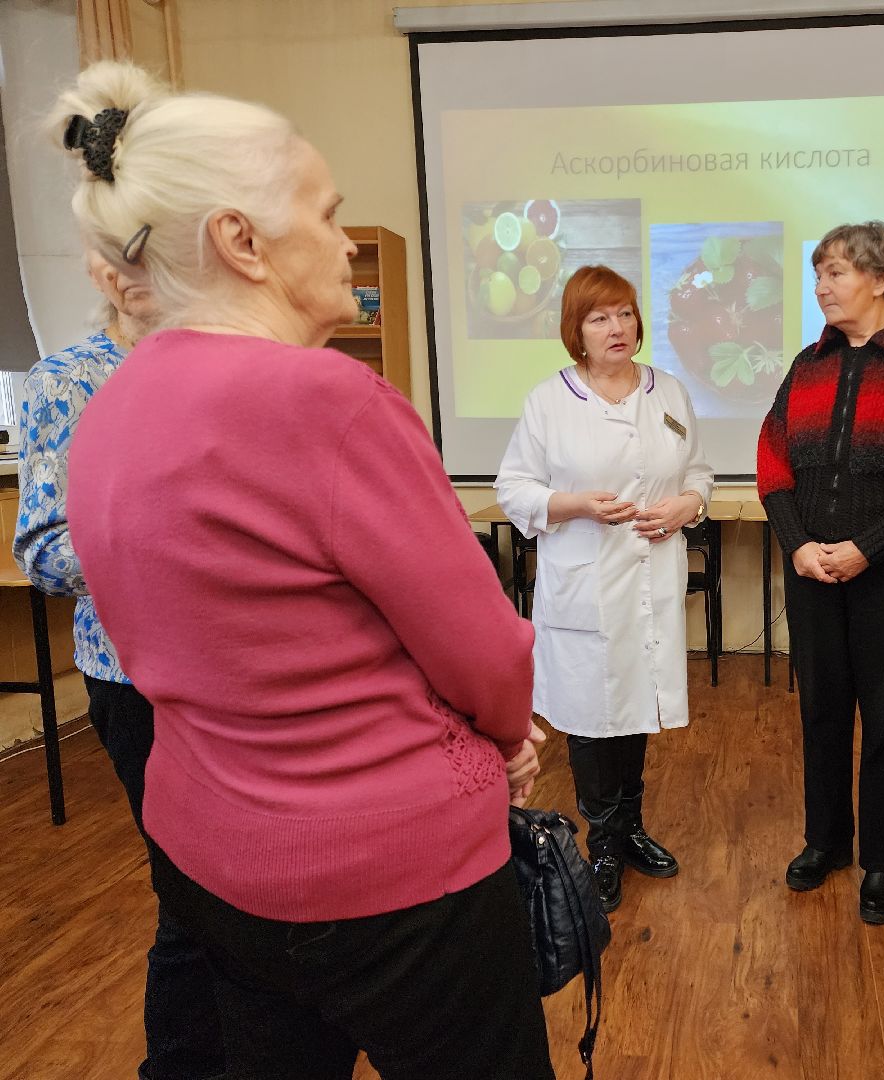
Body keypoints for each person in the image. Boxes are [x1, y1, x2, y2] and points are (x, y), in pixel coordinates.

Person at [55, 61, 554, 1079]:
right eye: (326, 214)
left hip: (213, 864)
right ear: (240, 240)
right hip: (398, 886)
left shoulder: (108, 414)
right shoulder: (330, 401)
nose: (345, 240)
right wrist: (507, 741)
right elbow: (486, 652)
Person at [13, 251, 226, 1080]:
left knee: (254, 892)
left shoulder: (224, 371)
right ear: (114, 277)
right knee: (192, 897)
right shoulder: (67, 381)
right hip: (142, 683)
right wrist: (182, 540)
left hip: (242, 677)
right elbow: (44, 549)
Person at [757, 221, 884, 925]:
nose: (821, 286)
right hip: (810, 567)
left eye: (836, 272)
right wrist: (797, 545)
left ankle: (883, 860)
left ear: (879, 279)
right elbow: (772, 459)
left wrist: (866, 548)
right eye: (818, 274)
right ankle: (826, 842)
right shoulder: (806, 365)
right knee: (820, 708)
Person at [496, 265, 713, 914]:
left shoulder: (669, 391)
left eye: (624, 313)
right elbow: (513, 489)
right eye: (599, 318)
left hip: (650, 578)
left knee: (637, 708)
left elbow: (699, 472)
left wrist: (689, 505)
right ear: (577, 331)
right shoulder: (549, 400)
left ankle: (631, 828)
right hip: (584, 585)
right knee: (593, 718)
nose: (616, 327)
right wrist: (574, 504)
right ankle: (604, 846)